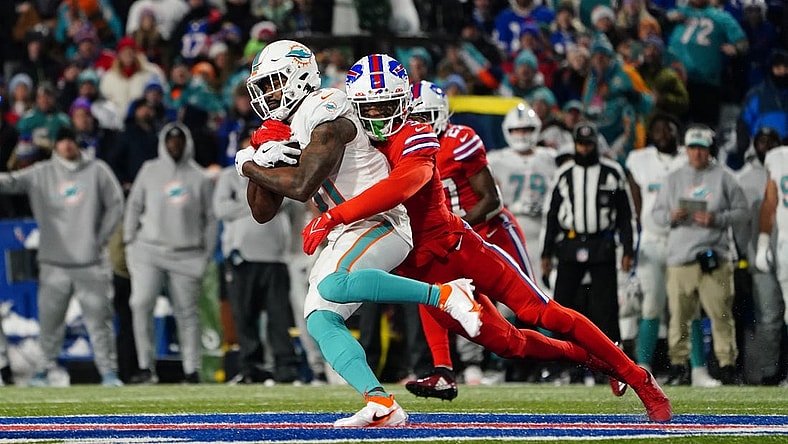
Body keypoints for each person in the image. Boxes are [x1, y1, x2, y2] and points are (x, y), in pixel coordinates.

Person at [291, 53, 672, 423]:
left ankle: (640, 379)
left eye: (385, 106)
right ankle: (602, 361)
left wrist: (334, 216)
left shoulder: (416, 131)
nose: (376, 118)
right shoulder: (351, 139)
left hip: (458, 247)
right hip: (418, 268)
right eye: (368, 108)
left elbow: (405, 183)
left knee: (541, 312)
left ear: (404, 102)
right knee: (510, 344)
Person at [236, 40, 484, 427]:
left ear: (299, 77)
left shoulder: (328, 109)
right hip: (346, 229)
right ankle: (381, 403)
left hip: (381, 220)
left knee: (334, 285)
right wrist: (264, 150)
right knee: (319, 317)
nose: (267, 95)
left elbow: (302, 185)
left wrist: (249, 164)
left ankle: (448, 294)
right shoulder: (287, 122)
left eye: (272, 83)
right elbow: (262, 212)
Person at [404, 81, 532, 397]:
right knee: (432, 293)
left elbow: (492, 201)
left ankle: (570, 357)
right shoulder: (406, 147)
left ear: (443, 113)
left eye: (427, 116)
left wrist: (454, 224)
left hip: (490, 231)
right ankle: (445, 370)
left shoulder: (459, 140)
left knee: (529, 306)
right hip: (453, 238)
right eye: (416, 118)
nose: (422, 125)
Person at [0, 127, 124, 387]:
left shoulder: (97, 170)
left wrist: (99, 238)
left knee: (99, 320)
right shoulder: (42, 172)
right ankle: (43, 371)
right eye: (62, 141)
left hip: (90, 262)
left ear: (77, 144)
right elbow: (10, 182)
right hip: (54, 262)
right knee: (50, 322)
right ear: (56, 146)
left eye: (71, 141)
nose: (67, 146)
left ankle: (109, 373)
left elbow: (116, 203)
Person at [652, 124, 749, 386]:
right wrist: (671, 216)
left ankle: (727, 364)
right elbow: (656, 214)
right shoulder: (673, 179)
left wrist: (717, 219)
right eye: (693, 148)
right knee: (679, 316)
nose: (697, 154)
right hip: (681, 258)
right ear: (687, 150)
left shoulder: (725, 177)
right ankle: (678, 365)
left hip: (714, 256)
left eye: (702, 149)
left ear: (710, 150)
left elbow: (742, 212)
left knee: (721, 314)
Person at [124, 122, 218, 384]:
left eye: (179, 141)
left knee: (187, 313)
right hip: (148, 250)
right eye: (170, 141)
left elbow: (211, 219)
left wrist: (206, 254)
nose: (174, 145)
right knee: (140, 303)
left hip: (187, 255)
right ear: (163, 143)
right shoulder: (149, 170)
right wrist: (129, 241)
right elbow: (133, 206)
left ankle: (191, 370)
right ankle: (145, 367)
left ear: (186, 143)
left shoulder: (200, 177)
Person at [213, 125, 300, 384]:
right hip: (242, 255)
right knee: (244, 316)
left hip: (275, 255)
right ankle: (251, 369)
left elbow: (291, 201)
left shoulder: (281, 171)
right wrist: (254, 205)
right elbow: (220, 209)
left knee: (278, 318)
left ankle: (286, 370)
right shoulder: (229, 175)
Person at [541, 121, 637, 347]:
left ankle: (613, 361)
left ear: (596, 145)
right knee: (564, 303)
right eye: (581, 144)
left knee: (606, 305)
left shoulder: (612, 172)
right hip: (570, 242)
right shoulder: (564, 174)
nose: (585, 149)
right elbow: (552, 214)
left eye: (589, 144)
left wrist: (628, 248)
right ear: (575, 145)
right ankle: (563, 359)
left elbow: (625, 214)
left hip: (601, 242)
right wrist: (547, 252)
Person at [488, 102, 556, 291]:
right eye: (517, 130)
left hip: (544, 226)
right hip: (511, 224)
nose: (522, 134)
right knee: (512, 285)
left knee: (546, 287)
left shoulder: (551, 157)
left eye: (527, 129)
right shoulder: (495, 160)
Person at [734, 126, 784, 385]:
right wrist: (744, 256)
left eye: (771, 140)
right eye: (762, 140)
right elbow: (740, 224)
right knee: (768, 318)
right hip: (759, 257)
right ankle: (769, 372)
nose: (766, 145)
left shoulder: (783, 167)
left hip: (784, 251)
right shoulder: (744, 178)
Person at [755, 127, 788, 386]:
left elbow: (770, 202)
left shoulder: (777, 158)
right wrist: (763, 242)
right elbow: (770, 202)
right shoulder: (776, 157)